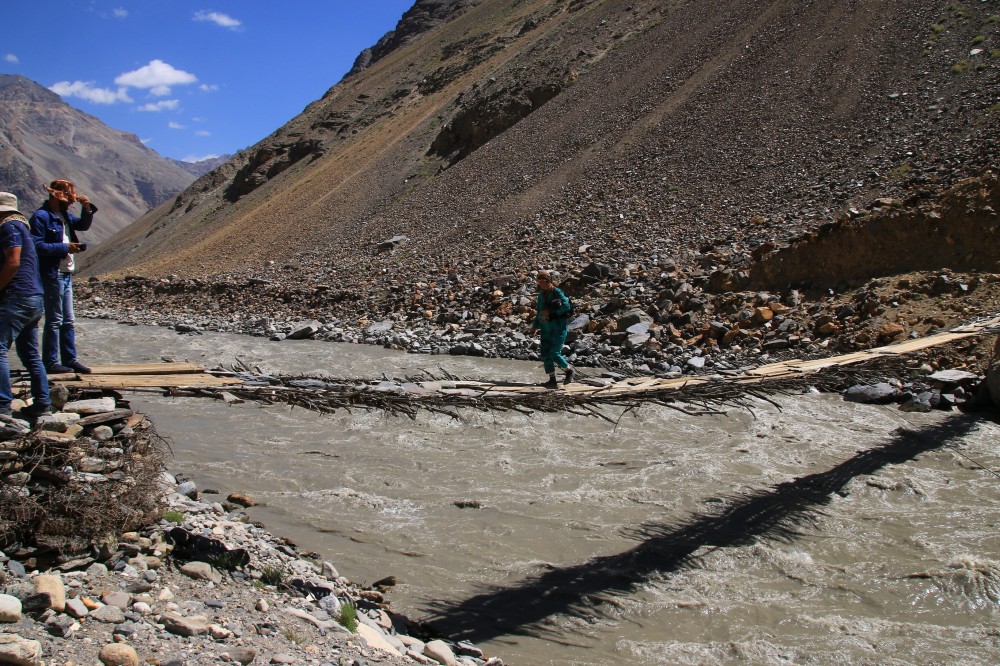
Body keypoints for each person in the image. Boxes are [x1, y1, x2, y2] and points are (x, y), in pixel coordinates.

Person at [29, 179, 94, 374]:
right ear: (55, 196)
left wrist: (86, 208)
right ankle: (50, 362)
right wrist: (65, 248)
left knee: (68, 320)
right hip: (52, 273)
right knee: (55, 319)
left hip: (65, 273)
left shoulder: (64, 216)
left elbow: (82, 225)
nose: (70, 203)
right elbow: (37, 246)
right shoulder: (41, 217)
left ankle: (69, 360)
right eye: (67, 199)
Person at [0, 192, 51, 417]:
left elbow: (13, 262)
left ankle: (2, 405)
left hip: (16, 296)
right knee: (30, 353)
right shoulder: (23, 228)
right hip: (34, 297)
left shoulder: (8, 227)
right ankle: (43, 404)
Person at [531, 270, 575, 388]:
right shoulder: (541, 295)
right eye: (539, 282)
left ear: (547, 281)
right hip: (546, 327)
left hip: (558, 327)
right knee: (545, 353)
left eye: (542, 281)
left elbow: (566, 306)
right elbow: (539, 312)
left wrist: (551, 311)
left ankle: (569, 371)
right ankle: (552, 379)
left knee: (554, 353)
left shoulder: (557, 292)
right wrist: (535, 326)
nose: (540, 284)